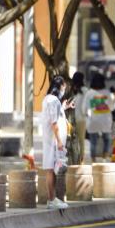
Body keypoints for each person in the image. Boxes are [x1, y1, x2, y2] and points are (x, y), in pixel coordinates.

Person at [40, 75, 72, 209]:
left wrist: (64, 107)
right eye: (64, 86)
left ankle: (52, 199)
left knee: (52, 168)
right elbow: (54, 123)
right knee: (51, 169)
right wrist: (59, 141)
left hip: (51, 141)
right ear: (59, 86)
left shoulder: (49, 100)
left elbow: (54, 116)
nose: (64, 89)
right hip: (53, 142)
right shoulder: (53, 101)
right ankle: (52, 199)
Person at [84, 73, 113, 161]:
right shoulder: (107, 93)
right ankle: (105, 157)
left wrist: (87, 114)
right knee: (107, 140)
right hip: (106, 120)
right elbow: (111, 107)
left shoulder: (89, 93)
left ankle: (93, 160)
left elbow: (84, 109)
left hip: (93, 121)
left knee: (93, 142)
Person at [70, 71, 87, 163]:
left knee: (72, 139)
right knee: (81, 140)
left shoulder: (71, 89)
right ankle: (81, 160)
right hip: (82, 119)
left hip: (71, 119)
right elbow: (86, 105)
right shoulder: (85, 90)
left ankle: (73, 159)